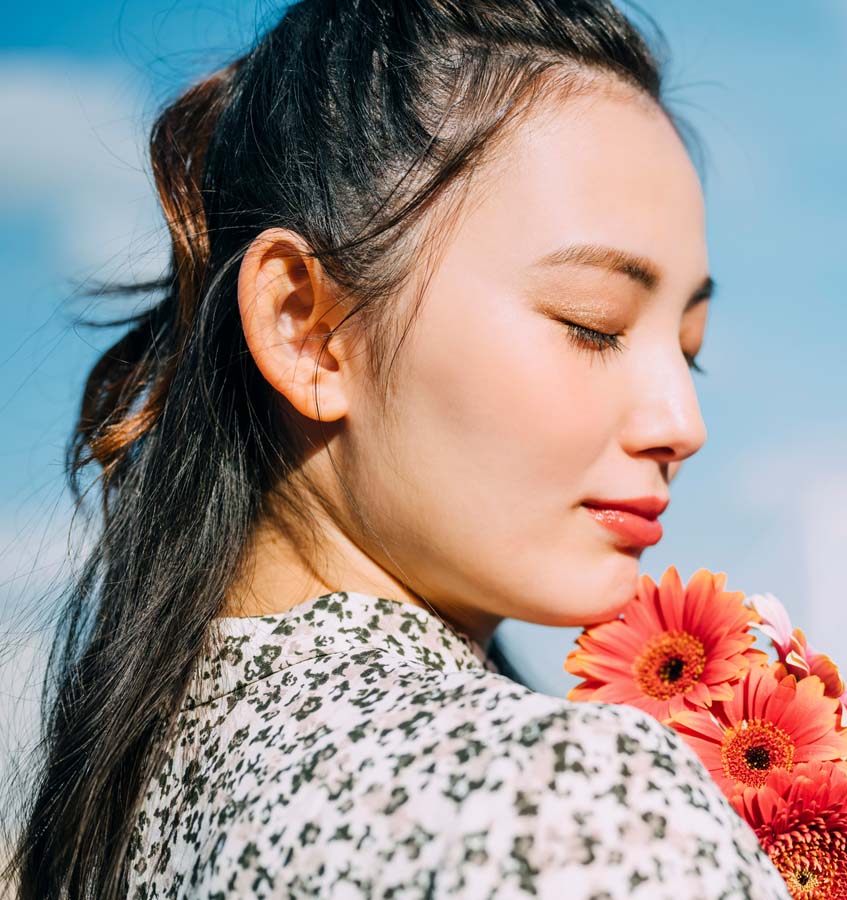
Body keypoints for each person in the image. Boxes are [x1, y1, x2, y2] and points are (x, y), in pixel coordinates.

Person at [4, 1, 793, 897]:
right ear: (307, 328)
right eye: (593, 324)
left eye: (686, 349)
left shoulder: (129, 792)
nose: (682, 423)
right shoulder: (568, 802)